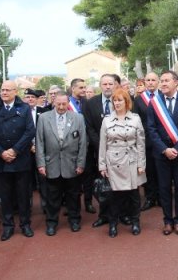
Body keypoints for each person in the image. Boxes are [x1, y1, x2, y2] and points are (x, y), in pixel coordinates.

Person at [147, 70, 178, 235]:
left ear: (176, 82)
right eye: (161, 81)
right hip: (161, 153)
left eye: (166, 80)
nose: (163, 83)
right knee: (164, 187)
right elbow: (151, 129)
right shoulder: (154, 103)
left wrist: (176, 148)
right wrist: (164, 149)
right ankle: (168, 221)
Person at [0, 80, 36, 241]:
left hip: (20, 158)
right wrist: (1, 153)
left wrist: (15, 150)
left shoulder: (24, 108)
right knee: (5, 196)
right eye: (2, 90)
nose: (4, 92)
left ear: (15, 92)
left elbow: (30, 131)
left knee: (23, 195)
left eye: (8, 90)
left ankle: (25, 224)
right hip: (1, 160)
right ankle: (8, 226)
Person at [36, 92, 87, 236]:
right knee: (52, 197)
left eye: (64, 104)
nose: (61, 107)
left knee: (73, 196)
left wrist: (81, 163)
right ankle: (51, 223)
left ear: (68, 103)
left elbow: (83, 143)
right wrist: (41, 164)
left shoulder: (78, 118)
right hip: (51, 164)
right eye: (58, 104)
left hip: (72, 164)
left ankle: (74, 220)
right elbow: (39, 142)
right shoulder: (44, 118)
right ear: (53, 102)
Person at [98, 88, 146, 238]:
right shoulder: (107, 120)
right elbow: (102, 144)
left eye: (120, 100)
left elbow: (141, 143)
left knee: (134, 195)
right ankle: (113, 223)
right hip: (113, 161)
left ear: (127, 102)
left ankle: (135, 222)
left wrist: (141, 164)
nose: (117, 103)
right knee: (114, 196)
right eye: (115, 100)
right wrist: (102, 165)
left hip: (132, 160)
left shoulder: (135, 119)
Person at [83, 74, 117, 227]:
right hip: (99, 151)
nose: (108, 86)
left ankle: (123, 214)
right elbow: (89, 128)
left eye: (110, 84)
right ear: (100, 85)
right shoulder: (91, 103)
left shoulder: (122, 99)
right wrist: (102, 147)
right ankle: (104, 215)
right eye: (105, 84)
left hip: (121, 150)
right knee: (103, 185)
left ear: (115, 85)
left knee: (121, 184)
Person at [133, 72, 160, 211]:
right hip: (145, 141)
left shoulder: (163, 96)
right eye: (148, 80)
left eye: (153, 80)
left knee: (161, 170)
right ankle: (150, 197)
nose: (150, 82)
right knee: (148, 170)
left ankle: (161, 196)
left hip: (162, 141)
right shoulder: (138, 100)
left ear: (158, 82)